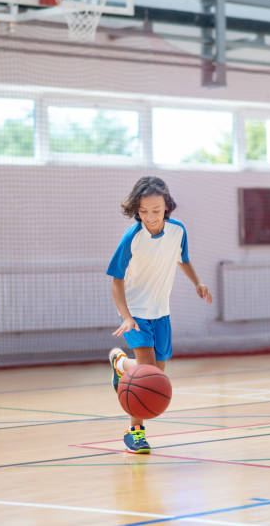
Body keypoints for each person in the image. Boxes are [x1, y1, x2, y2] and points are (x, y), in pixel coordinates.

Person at [107, 176, 212, 454]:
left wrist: (198, 282)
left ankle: (120, 364)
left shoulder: (178, 231)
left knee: (157, 372)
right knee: (146, 373)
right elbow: (116, 281)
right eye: (143, 212)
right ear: (136, 210)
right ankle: (135, 432)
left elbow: (183, 259)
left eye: (155, 210)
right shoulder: (132, 237)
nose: (150, 217)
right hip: (136, 312)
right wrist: (126, 316)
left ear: (167, 206)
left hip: (161, 312)